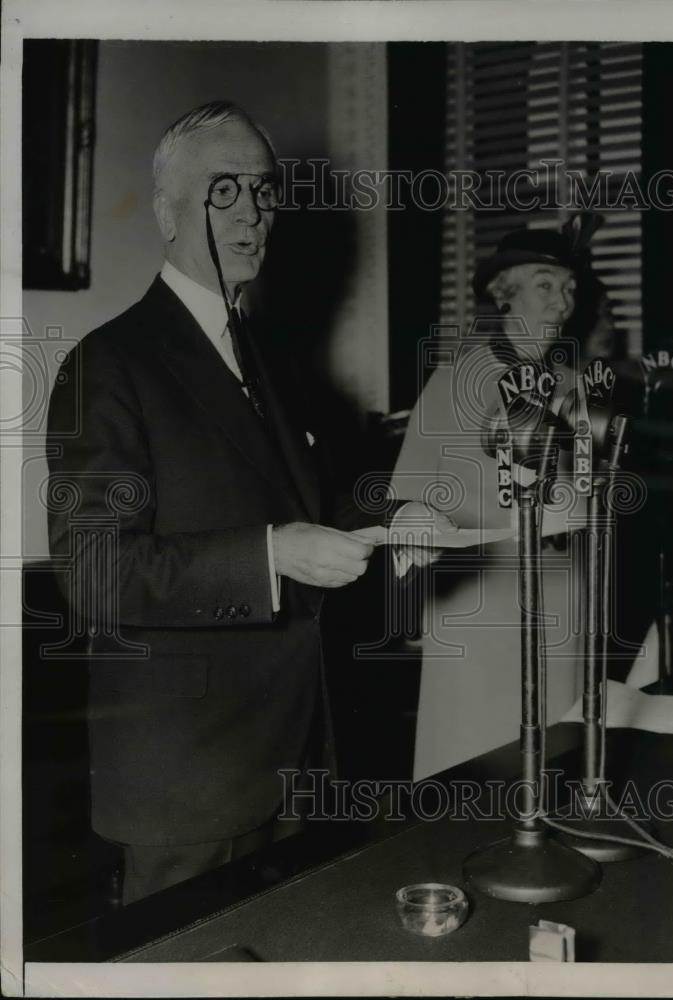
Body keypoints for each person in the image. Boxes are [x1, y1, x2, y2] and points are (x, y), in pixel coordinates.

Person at [45, 101, 423, 904]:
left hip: (299, 754)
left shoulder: (268, 357)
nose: (252, 213)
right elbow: (93, 572)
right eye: (223, 191)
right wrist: (270, 555)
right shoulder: (107, 364)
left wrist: (397, 518)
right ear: (166, 213)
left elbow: (306, 499)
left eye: (263, 190)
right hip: (190, 781)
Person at [390, 222, 598, 780]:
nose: (562, 301)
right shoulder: (454, 380)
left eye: (570, 288)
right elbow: (406, 500)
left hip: (560, 595)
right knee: (473, 763)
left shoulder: (574, 385)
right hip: (479, 601)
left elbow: (584, 492)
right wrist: (411, 606)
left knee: (555, 754)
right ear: (503, 294)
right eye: (545, 284)